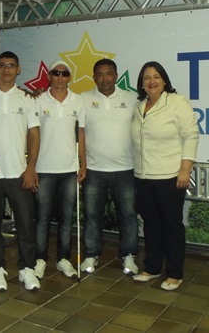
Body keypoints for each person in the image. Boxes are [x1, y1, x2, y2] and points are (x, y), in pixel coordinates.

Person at [131, 61, 199, 291]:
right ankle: (152, 267)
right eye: (147, 77)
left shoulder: (177, 102)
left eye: (156, 77)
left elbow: (191, 135)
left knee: (171, 225)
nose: (152, 81)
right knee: (151, 224)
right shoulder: (139, 106)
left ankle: (175, 273)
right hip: (143, 176)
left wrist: (185, 169)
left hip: (170, 176)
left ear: (164, 80)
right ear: (141, 83)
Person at [0, 51, 41, 292]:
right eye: (2, 65)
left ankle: (27, 269)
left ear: (18, 69)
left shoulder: (26, 99)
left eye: (11, 65)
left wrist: (31, 167)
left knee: (25, 224)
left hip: (19, 172)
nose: (6, 69)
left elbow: (34, 135)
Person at [80, 58, 139, 276]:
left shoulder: (132, 98)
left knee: (128, 216)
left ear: (116, 75)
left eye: (109, 73)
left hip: (125, 169)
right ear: (94, 77)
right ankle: (91, 254)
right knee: (92, 216)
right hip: (94, 170)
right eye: (100, 74)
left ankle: (129, 255)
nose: (104, 78)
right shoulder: (83, 99)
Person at [34, 60, 86, 280]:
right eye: (56, 73)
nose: (60, 77)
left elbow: (80, 134)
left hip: (69, 169)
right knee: (42, 218)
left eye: (64, 74)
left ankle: (64, 259)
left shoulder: (78, 101)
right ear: (49, 76)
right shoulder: (38, 101)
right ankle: (40, 259)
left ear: (69, 78)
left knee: (66, 218)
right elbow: (32, 133)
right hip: (44, 168)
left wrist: (83, 164)